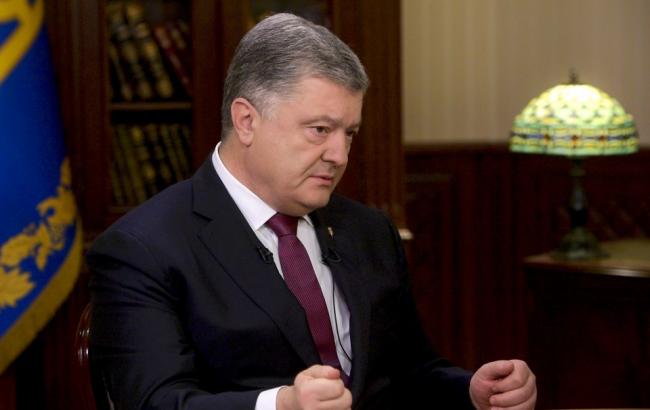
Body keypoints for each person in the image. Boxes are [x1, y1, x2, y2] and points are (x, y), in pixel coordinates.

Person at [88, 13, 536, 410]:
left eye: (349, 133)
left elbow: (406, 372)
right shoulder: (144, 248)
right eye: (320, 129)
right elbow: (153, 401)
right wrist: (281, 406)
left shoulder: (369, 230)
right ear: (246, 120)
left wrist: (471, 392)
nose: (339, 155)